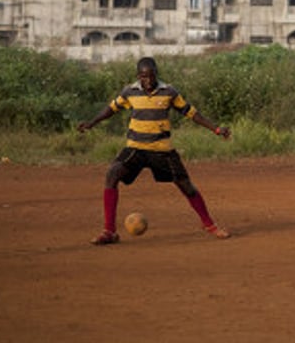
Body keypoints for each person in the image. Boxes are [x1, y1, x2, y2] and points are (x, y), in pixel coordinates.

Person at [78, 57, 232, 245]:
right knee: (112, 175)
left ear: (156, 74)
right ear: (138, 76)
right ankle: (109, 231)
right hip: (135, 148)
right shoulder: (129, 92)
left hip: (162, 150)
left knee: (186, 185)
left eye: (151, 76)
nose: (148, 80)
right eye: (144, 76)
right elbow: (111, 109)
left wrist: (216, 129)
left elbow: (192, 113)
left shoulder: (169, 91)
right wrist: (92, 123)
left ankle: (209, 224)